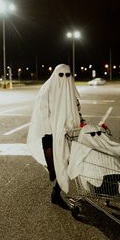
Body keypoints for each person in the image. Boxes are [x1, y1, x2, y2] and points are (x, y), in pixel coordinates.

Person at [27, 64, 85, 209]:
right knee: (57, 165)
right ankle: (53, 176)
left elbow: (76, 109)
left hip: (67, 133)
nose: (64, 78)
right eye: (61, 75)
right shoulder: (47, 90)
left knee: (64, 163)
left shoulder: (70, 90)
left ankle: (56, 192)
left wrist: (79, 122)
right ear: (55, 75)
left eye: (67, 75)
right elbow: (42, 113)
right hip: (50, 133)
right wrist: (52, 130)